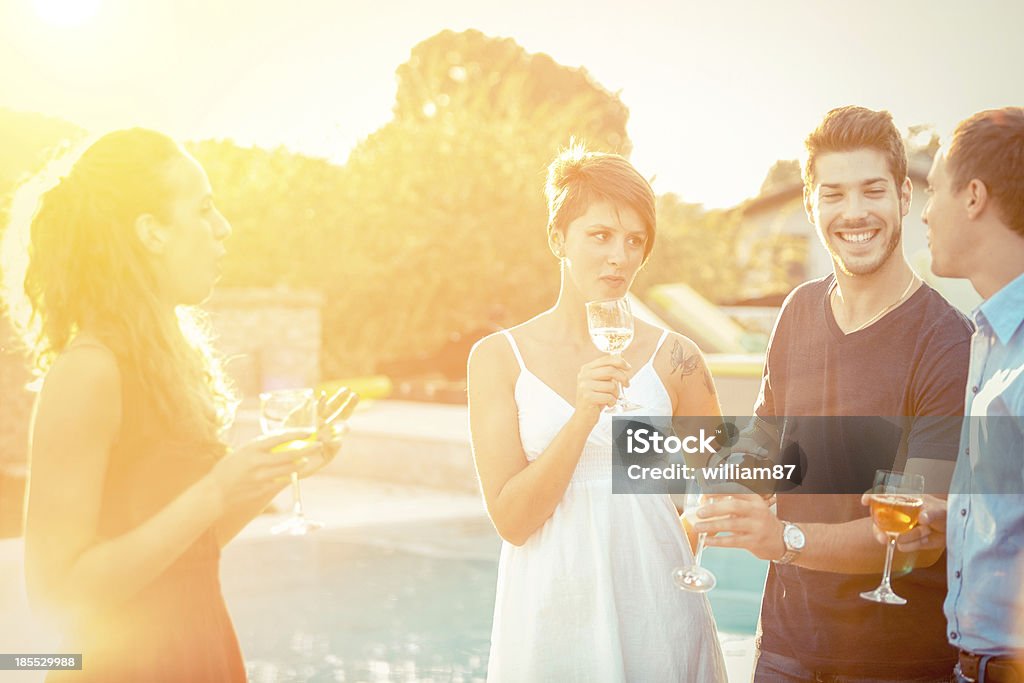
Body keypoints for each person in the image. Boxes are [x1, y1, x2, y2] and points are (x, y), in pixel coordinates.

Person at [0, 128, 336, 681]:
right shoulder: (88, 371)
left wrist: (275, 473)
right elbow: (56, 597)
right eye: (203, 210)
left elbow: (185, 555)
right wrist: (214, 490)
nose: (223, 227)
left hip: (199, 651)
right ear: (152, 232)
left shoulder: (165, 364)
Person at [694, 106, 971, 681]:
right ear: (811, 205)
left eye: (872, 190)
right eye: (834, 194)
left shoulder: (948, 341)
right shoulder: (796, 312)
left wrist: (780, 537)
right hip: (786, 649)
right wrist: (733, 474)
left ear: (903, 197)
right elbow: (768, 440)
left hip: (897, 659)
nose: (854, 213)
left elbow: (918, 539)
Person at [467, 145, 727, 681]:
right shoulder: (497, 359)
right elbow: (512, 520)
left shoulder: (676, 359)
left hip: (656, 615)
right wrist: (583, 414)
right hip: (549, 620)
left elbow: (727, 483)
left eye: (635, 241)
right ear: (557, 238)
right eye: (600, 235)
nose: (620, 256)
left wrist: (681, 535)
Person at [880, 107, 1024, 682]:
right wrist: (960, 519)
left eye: (933, 190)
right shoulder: (987, 339)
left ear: (973, 197)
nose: (926, 213)